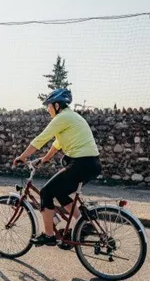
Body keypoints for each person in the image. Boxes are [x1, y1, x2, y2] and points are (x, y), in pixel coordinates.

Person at [13, 88, 102, 246]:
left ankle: (49, 236)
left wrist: (23, 156)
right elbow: (58, 143)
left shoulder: (62, 117)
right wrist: (44, 159)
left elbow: (41, 138)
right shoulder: (72, 117)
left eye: (48, 106)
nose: (48, 110)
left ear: (56, 105)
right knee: (60, 193)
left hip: (81, 163)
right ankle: (84, 225)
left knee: (46, 192)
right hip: (92, 164)